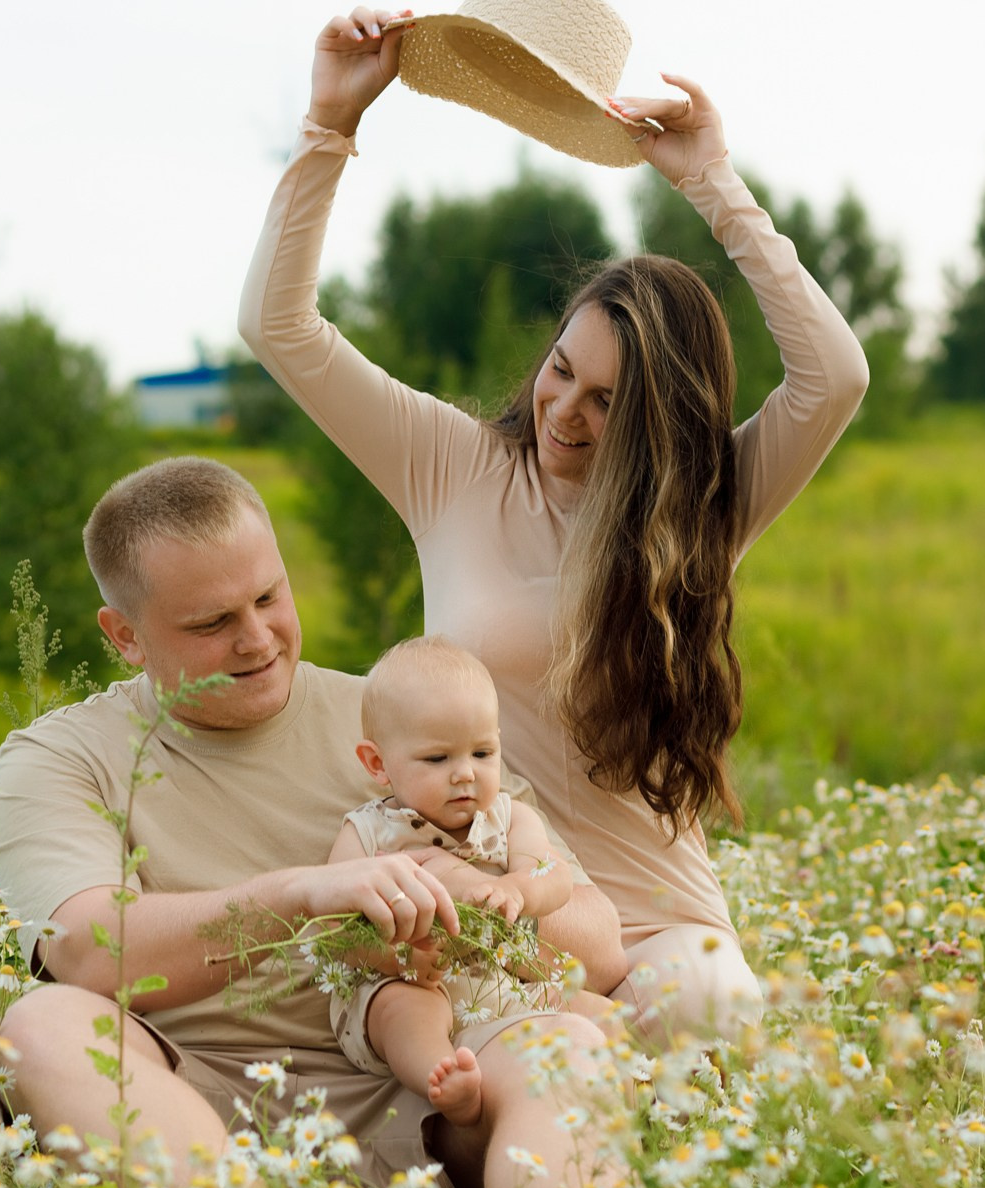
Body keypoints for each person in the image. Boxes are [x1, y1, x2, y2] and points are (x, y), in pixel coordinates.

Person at [239, 8, 871, 1044]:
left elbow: (833, 375)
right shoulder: (448, 465)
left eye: (606, 402)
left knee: (712, 1023)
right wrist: (328, 124)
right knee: (519, 1087)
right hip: (486, 904)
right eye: (558, 371)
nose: (563, 413)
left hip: (654, 914)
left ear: (659, 421)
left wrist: (711, 183)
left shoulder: (700, 505)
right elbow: (277, 326)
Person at [0, 456, 627, 1188]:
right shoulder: (62, 756)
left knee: (565, 1043)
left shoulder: (400, 714)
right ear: (125, 635)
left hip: (432, 1091)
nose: (256, 639)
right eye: (211, 622)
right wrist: (299, 893)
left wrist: (464, 887)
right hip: (201, 1106)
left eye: (268, 596)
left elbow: (599, 944)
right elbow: (86, 951)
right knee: (44, 1025)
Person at [325, 634, 590, 1129]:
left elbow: (553, 875)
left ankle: (642, 1082)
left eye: (482, 753)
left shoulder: (509, 817)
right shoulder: (371, 832)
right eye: (438, 759)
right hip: (411, 978)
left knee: (591, 1009)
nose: (465, 774)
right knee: (403, 1009)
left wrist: (519, 888)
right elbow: (333, 926)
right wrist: (394, 956)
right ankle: (443, 1077)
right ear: (377, 763)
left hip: (503, 983)